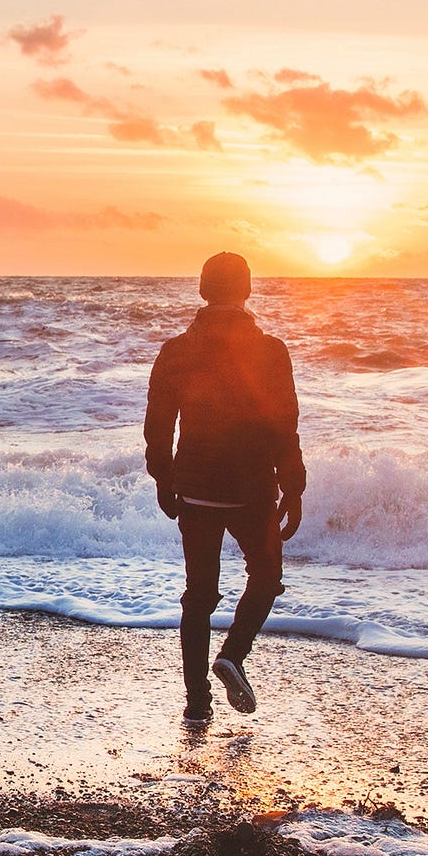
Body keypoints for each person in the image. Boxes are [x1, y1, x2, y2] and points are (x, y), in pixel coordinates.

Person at [143, 251, 305, 724]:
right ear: (247, 289)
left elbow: (158, 422)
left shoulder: (176, 350)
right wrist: (292, 487)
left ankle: (197, 702)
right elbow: (284, 425)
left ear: (202, 288)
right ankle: (232, 655)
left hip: (194, 485)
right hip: (252, 486)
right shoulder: (270, 350)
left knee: (199, 596)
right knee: (266, 577)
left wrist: (163, 477)